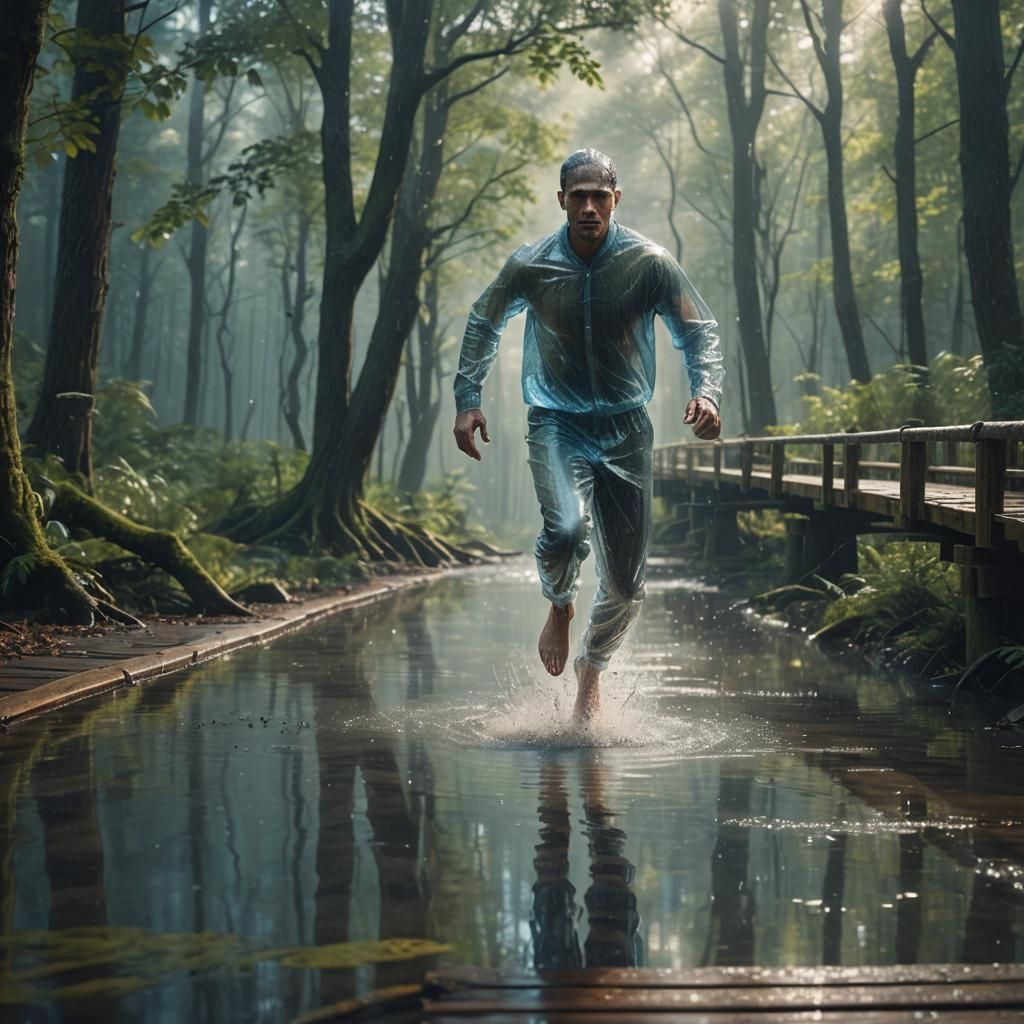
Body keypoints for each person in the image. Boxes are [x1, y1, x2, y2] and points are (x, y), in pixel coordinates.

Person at [453, 148, 723, 720]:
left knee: (626, 586)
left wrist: (707, 393)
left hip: (627, 428)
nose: (590, 207)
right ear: (561, 201)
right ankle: (560, 603)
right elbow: (483, 322)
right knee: (568, 528)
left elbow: (698, 332)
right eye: (578, 196)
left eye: (600, 196)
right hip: (556, 422)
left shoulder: (648, 263)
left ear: (616, 200)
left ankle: (591, 672)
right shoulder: (532, 265)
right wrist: (467, 400)